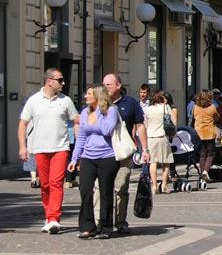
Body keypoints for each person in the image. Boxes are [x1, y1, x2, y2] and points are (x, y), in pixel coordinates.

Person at [18, 68, 80, 234]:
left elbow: (76, 121)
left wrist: (79, 144)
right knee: (45, 185)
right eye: (60, 80)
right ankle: (49, 215)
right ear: (49, 81)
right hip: (39, 149)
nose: (63, 83)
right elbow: (22, 124)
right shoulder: (33, 100)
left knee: (56, 183)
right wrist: (23, 147)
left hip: (61, 148)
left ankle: (54, 218)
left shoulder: (66, 101)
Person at [68, 85, 120, 239]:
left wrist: (100, 112)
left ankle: (105, 227)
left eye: (89, 94)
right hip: (88, 157)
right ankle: (87, 226)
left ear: (98, 96)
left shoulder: (111, 111)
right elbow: (81, 137)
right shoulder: (84, 112)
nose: (85, 96)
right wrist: (74, 158)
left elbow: (106, 130)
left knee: (105, 193)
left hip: (107, 157)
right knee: (85, 191)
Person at [100, 73, 148, 235]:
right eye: (104, 84)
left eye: (109, 84)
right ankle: (102, 221)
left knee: (121, 186)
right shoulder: (99, 102)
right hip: (103, 152)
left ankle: (120, 221)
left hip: (123, 153)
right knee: (100, 189)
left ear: (118, 86)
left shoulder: (131, 103)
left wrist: (145, 150)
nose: (105, 87)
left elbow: (140, 126)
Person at [143, 90, 175, 194]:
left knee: (153, 162)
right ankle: (164, 185)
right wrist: (173, 134)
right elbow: (172, 122)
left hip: (151, 137)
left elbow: (145, 124)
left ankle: (154, 185)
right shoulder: (166, 108)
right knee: (166, 162)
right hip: (163, 137)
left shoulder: (148, 109)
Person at [193, 90, 221, 182]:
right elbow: (217, 118)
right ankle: (205, 171)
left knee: (202, 154)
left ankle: (202, 174)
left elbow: (193, 117)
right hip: (209, 132)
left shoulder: (195, 107)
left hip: (198, 133)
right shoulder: (212, 107)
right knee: (210, 153)